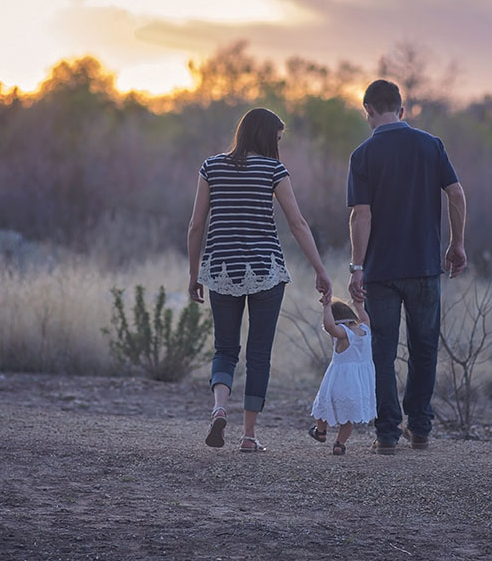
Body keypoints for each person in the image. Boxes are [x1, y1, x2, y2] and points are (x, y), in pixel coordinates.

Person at [188, 107, 332, 453]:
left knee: (225, 348)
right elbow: (297, 224)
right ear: (267, 137)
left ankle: (220, 407)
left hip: (221, 269)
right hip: (266, 270)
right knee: (259, 354)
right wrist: (320, 269)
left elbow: (196, 225)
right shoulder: (273, 170)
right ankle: (249, 435)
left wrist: (194, 274)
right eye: (278, 138)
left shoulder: (211, 167)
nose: (278, 145)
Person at [347, 79, 467, 455]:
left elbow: (360, 215)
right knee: (424, 348)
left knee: (382, 351)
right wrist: (457, 243)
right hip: (425, 266)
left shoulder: (363, 155)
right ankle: (420, 428)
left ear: (367, 110)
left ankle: (386, 434)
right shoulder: (431, 145)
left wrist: (356, 266)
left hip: (381, 271)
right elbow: (456, 193)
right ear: (402, 109)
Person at [308, 297, 376, 456]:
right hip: (358, 385)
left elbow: (331, 327)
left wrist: (326, 307)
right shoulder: (365, 330)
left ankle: (321, 431)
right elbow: (365, 318)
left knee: (323, 407)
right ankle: (339, 444)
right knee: (348, 417)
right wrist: (358, 305)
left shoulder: (343, 333)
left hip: (339, 381)